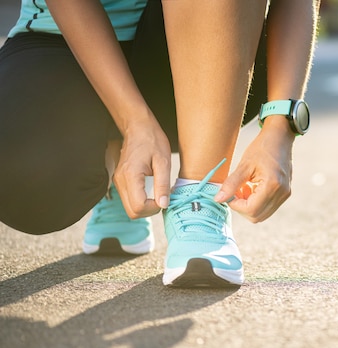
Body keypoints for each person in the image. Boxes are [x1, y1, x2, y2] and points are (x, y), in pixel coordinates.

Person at [0, 0, 319, 288]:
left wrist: (281, 125)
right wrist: (132, 121)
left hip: (208, 41)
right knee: (18, 174)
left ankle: (200, 194)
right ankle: (114, 164)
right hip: (64, 43)